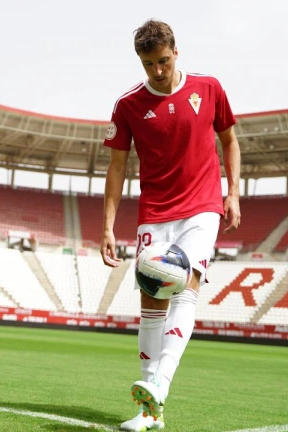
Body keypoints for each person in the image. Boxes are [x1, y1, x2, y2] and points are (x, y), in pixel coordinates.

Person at [100, 19, 241, 431]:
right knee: (151, 308)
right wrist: (108, 226)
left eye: (163, 60)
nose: (158, 71)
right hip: (155, 213)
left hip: (202, 206)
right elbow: (116, 167)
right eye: (149, 64)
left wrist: (233, 193)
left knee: (186, 287)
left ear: (176, 52)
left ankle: (160, 382)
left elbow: (230, 140)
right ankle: (150, 411)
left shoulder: (209, 88)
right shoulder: (128, 105)